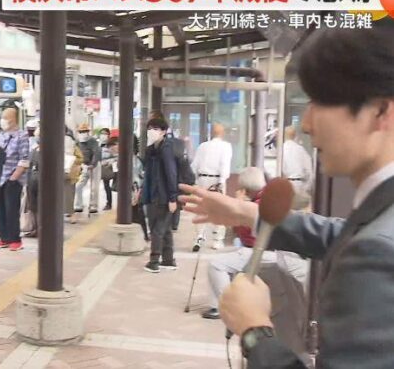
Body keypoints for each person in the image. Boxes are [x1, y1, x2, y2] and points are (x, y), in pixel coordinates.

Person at [180, 22, 394, 368]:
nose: (307, 123)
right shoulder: (379, 223)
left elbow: (368, 245)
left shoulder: (377, 255)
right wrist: (246, 213)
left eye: (320, 102)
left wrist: (254, 331)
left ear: (381, 111)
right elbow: (345, 235)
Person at [201, 167, 308, 320]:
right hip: (270, 250)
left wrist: (238, 206)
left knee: (216, 264)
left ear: (246, 188)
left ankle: (228, 307)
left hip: (264, 251)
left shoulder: (259, 204)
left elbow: (245, 234)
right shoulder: (265, 197)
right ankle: (218, 305)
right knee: (226, 261)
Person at [142, 116, 179, 273]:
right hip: (153, 194)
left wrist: (172, 197)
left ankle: (154, 261)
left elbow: (171, 174)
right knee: (165, 228)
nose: (151, 132)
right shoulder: (153, 150)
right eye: (149, 129)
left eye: (156, 129)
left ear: (164, 131)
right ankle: (168, 260)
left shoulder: (166, 149)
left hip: (163, 196)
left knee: (157, 228)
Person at [0, 108, 30, 251]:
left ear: (13, 119)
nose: (3, 120)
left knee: (11, 210)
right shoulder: (0, 136)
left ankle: (15, 239)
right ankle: (4, 238)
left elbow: (24, 159)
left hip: (13, 178)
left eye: (5, 117)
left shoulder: (22, 136)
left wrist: (14, 178)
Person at [190, 123, 233, 250]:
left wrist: (197, 180)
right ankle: (217, 240)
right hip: (217, 180)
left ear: (211, 133)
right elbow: (224, 164)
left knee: (201, 208)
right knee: (219, 209)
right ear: (222, 133)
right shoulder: (226, 146)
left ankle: (199, 236)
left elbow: (194, 165)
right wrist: (221, 181)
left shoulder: (202, 146)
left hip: (202, 179)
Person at [74, 123, 102, 214]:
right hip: (83, 166)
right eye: (81, 131)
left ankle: (93, 205)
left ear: (88, 132)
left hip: (94, 166)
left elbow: (96, 153)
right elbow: (76, 154)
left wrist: (92, 164)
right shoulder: (77, 142)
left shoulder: (93, 141)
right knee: (78, 185)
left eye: (85, 131)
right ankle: (78, 205)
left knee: (94, 187)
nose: (83, 133)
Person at [282, 125, 314, 194]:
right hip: (300, 185)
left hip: (284, 184)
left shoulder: (280, 150)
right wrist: (306, 188)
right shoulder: (301, 150)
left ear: (283, 135)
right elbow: (309, 171)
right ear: (295, 136)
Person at [64, 126, 83, 224]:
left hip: (67, 172)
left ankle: (71, 214)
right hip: (70, 172)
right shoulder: (73, 142)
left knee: (68, 194)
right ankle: (71, 214)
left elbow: (79, 158)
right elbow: (80, 158)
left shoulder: (69, 142)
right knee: (69, 194)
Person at [99, 128, 116, 211]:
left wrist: (110, 161)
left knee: (118, 185)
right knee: (106, 186)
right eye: (102, 133)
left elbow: (117, 155)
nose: (103, 135)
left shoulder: (112, 143)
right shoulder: (99, 145)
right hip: (105, 169)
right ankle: (109, 203)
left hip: (113, 167)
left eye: (105, 134)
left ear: (109, 135)